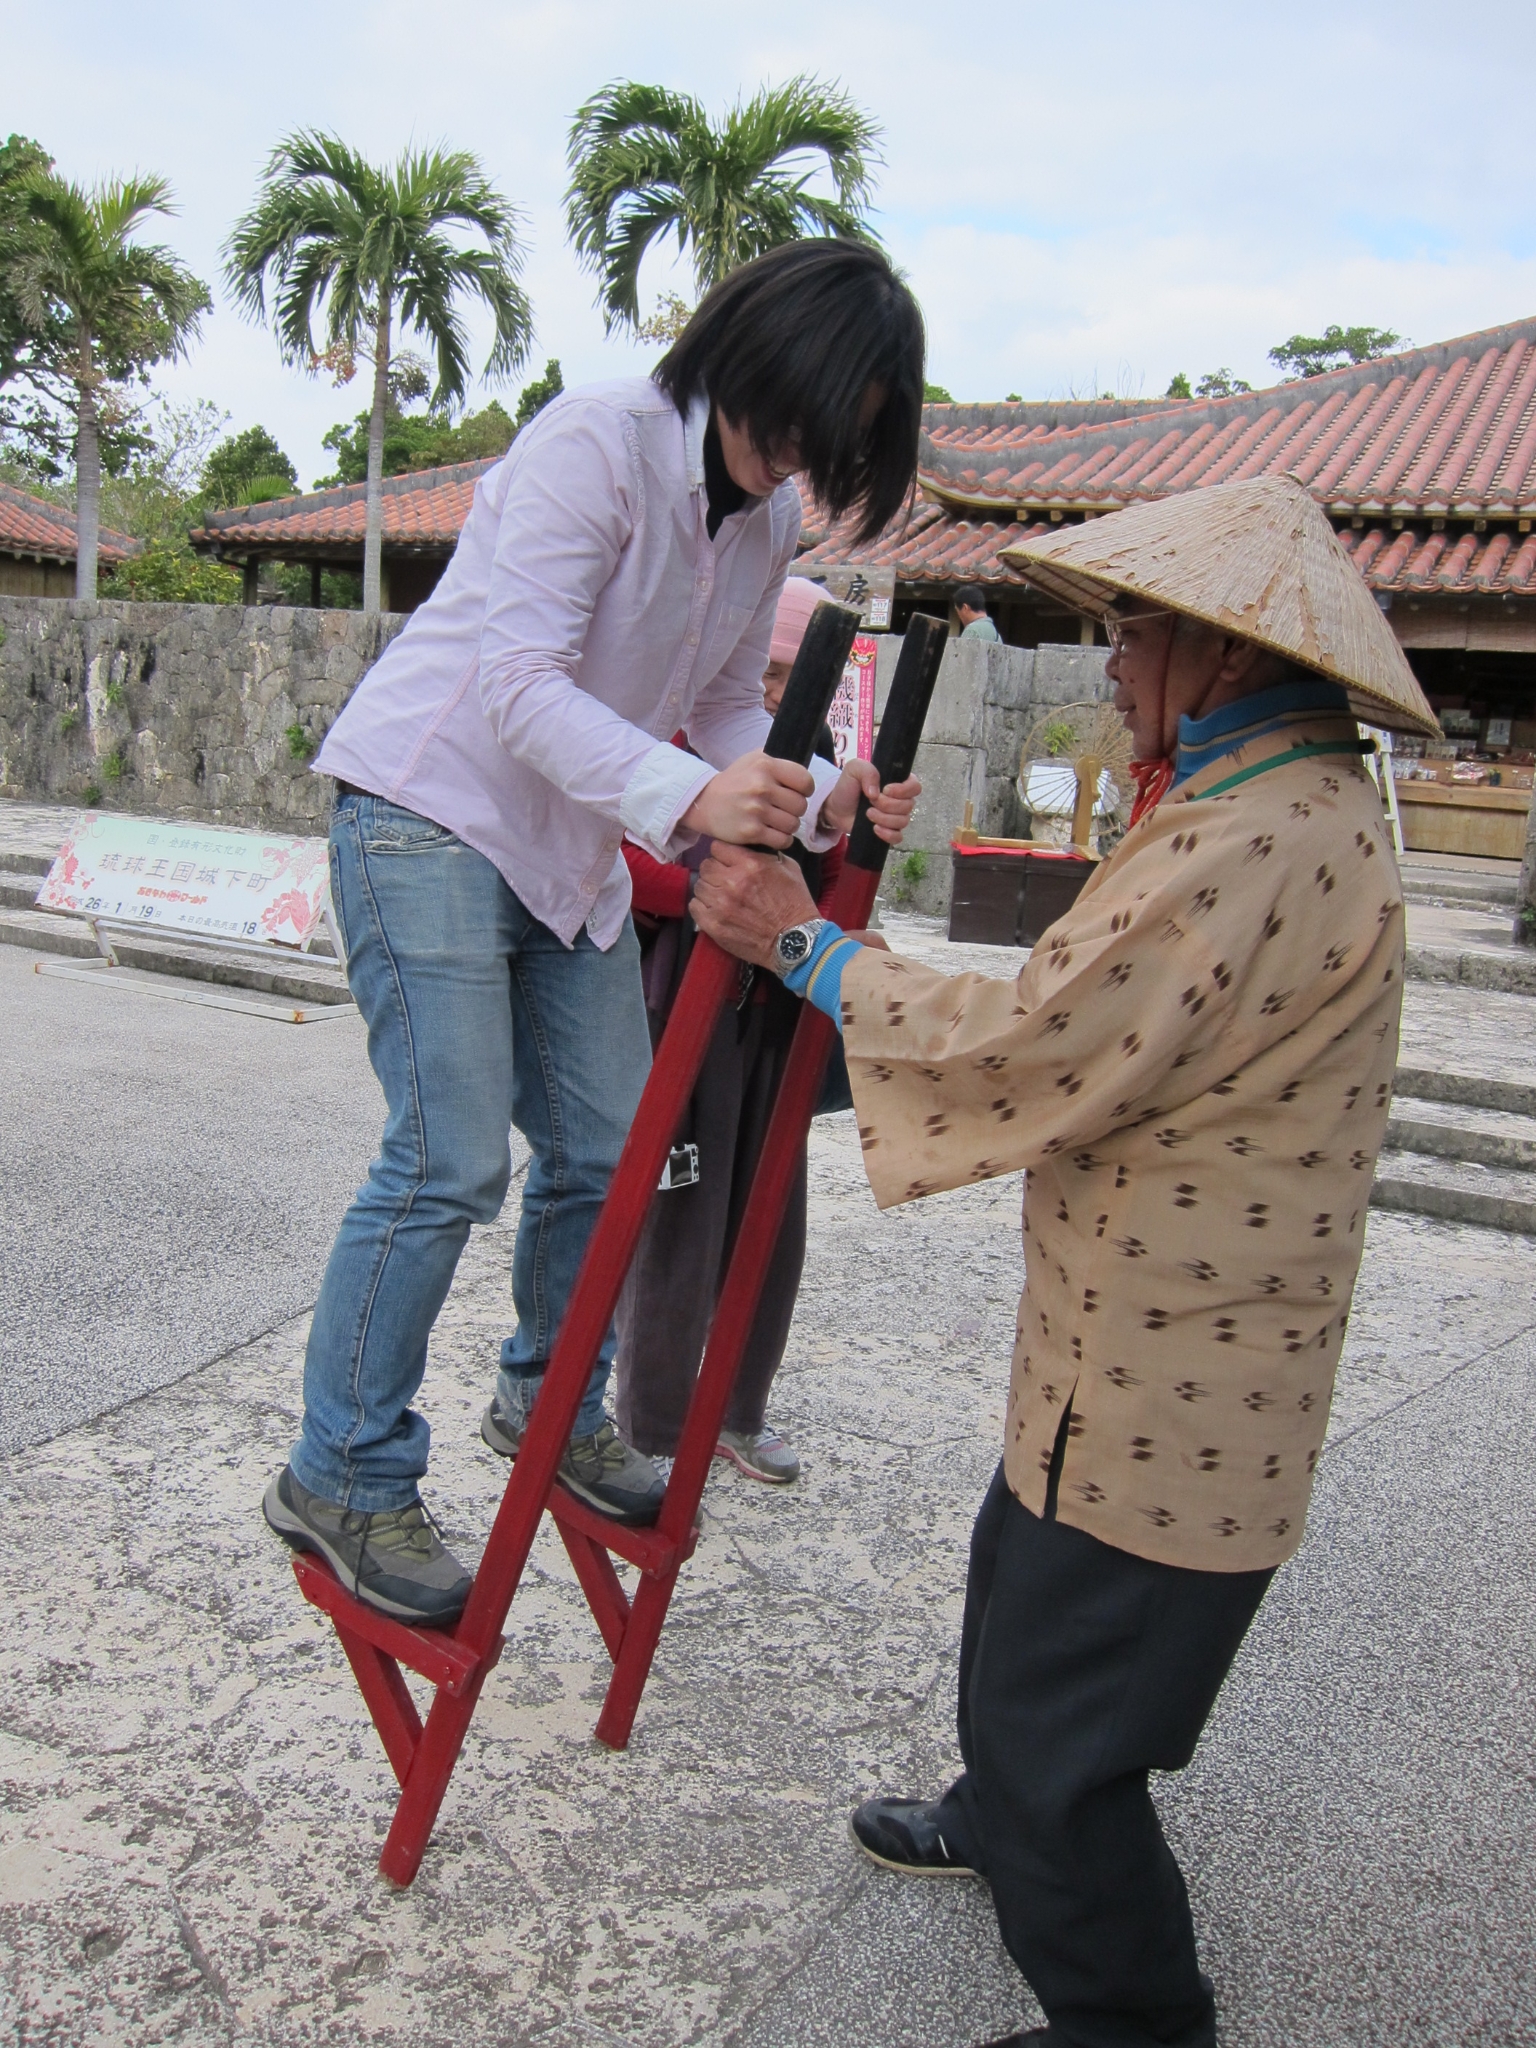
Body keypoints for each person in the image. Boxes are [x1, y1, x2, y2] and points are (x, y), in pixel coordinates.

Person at [687, 473, 1439, 2048]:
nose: (1113, 658)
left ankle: (1130, 2015)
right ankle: (1000, 1810)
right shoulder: (1270, 790)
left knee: (1066, 1726)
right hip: (1137, 1345)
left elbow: (1038, 1036)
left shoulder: (1255, 835)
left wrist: (806, 946)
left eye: (1139, 630)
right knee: (1018, 1582)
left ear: (1230, 652)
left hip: (1175, 1378)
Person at [261, 238, 927, 1627]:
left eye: (834, 444)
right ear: (750, 353)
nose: (799, 458)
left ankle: (551, 1404)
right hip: (428, 807)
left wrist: (819, 797)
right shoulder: (598, 443)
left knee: (618, 1148)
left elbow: (724, 707)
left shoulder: (765, 521)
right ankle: (341, 1472)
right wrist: (693, 794)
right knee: (446, 1158)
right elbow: (516, 683)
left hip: (566, 853)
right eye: (801, 417)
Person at [613, 575, 915, 1484]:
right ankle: (653, 1428)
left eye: (792, 673)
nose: (778, 692)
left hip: (777, 1010)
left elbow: (830, 882)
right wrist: (713, 900)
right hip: (684, 1006)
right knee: (679, 1217)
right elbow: (619, 859)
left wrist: (834, 924)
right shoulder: (669, 739)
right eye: (767, 671)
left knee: (771, 1213)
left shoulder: (817, 762)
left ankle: (739, 1410)